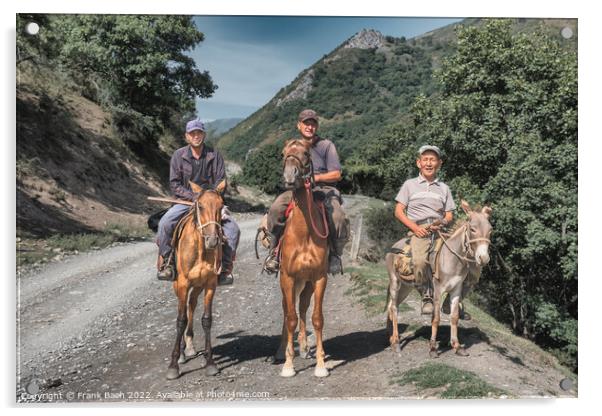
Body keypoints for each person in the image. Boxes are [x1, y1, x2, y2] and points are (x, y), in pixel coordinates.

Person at [264, 109, 349, 275]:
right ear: (299, 125)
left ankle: (335, 255)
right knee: (275, 210)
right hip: (296, 188)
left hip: (323, 189)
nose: (309, 127)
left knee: (338, 216)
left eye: (313, 123)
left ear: (316, 126)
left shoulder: (326, 146)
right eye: (306, 123)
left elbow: (336, 174)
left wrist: (315, 178)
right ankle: (274, 252)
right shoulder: (292, 145)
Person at [156, 118, 240, 285]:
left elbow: (220, 181)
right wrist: (194, 197)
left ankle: (224, 269)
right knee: (165, 224)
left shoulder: (214, 155)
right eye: (192, 133)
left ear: (204, 135)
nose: (196, 136)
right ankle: (168, 263)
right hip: (185, 201)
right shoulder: (178, 155)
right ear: (187, 136)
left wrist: (209, 198)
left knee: (233, 230)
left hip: (210, 203)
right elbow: (175, 184)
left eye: (199, 133)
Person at [394, 145, 456, 315]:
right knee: (420, 261)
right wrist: (415, 228)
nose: (429, 163)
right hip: (419, 228)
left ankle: (455, 297)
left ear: (439, 163)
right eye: (425, 159)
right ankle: (426, 294)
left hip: (440, 228)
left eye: (433, 159)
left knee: (462, 255)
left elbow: (450, 214)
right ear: (418, 163)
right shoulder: (409, 185)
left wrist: (442, 222)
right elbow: (399, 211)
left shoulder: (444, 188)